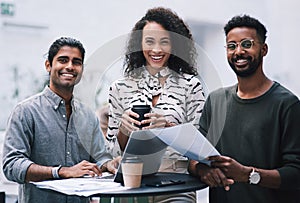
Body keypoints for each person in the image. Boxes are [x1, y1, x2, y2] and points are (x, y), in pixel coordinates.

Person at [188, 14, 300, 203]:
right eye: (231, 46)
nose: (238, 52)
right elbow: (194, 158)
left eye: (247, 44)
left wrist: (247, 174)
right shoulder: (215, 101)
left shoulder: (287, 104)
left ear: (264, 49)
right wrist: (203, 170)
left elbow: (296, 173)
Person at [2, 37, 119, 203]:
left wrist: (108, 164)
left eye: (76, 62)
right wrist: (61, 171)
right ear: (48, 65)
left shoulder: (88, 115)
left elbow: (99, 157)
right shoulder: (26, 111)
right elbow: (12, 166)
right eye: (63, 60)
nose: (70, 66)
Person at [107, 7, 205, 202]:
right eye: (149, 41)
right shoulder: (120, 87)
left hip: (177, 184)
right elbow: (112, 153)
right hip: (132, 185)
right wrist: (123, 131)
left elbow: (200, 147)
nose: (157, 50)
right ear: (139, 43)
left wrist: (169, 128)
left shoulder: (190, 86)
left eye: (165, 42)